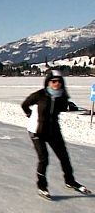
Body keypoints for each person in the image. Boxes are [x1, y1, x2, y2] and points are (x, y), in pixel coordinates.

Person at [21, 70, 90, 200]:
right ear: (48, 82)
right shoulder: (40, 95)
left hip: (53, 130)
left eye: (59, 81)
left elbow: (64, 107)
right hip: (37, 130)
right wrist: (29, 114)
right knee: (44, 159)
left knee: (64, 157)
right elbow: (25, 104)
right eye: (53, 81)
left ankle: (70, 181)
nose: (56, 84)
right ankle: (42, 186)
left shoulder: (62, 96)